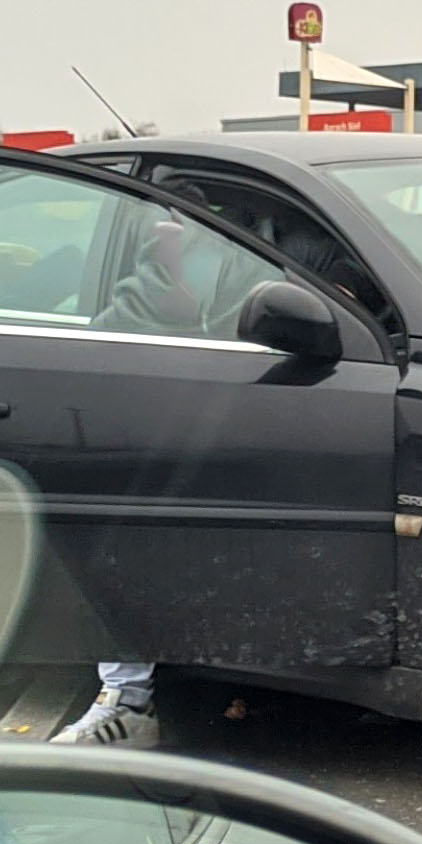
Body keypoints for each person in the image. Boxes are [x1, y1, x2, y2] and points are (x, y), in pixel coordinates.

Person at [54, 191, 384, 748]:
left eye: (177, 229)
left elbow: (331, 318)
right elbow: (120, 334)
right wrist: (161, 285)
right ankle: (126, 699)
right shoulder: (147, 284)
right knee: (125, 521)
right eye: (160, 232)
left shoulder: (296, 256)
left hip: (265, 418)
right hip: (169, 425)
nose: (168, 237)